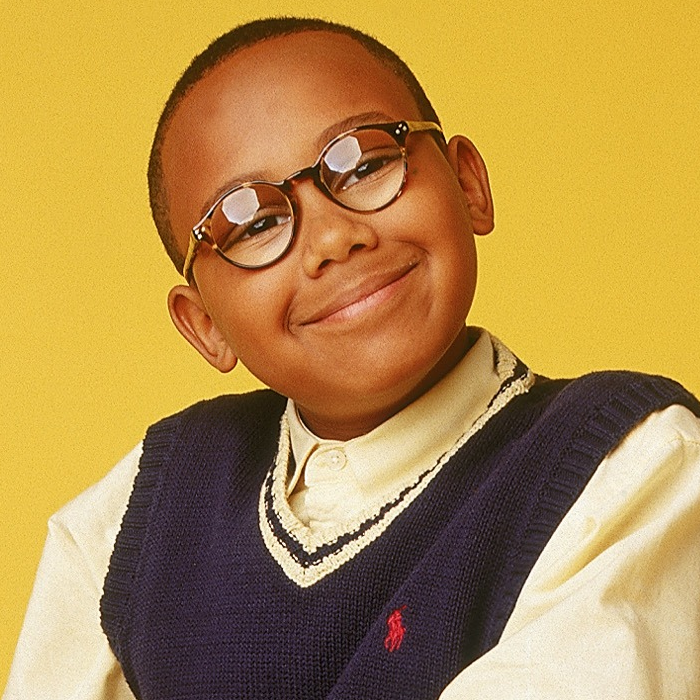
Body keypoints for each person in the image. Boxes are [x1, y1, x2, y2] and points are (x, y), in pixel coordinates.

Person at [4, 16, 700, 700]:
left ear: (468, 185)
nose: (334, 238)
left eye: (365, 164)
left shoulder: (632, 462)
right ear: (205, 325)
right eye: (254, 224)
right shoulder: (136, 518)